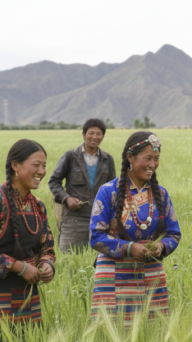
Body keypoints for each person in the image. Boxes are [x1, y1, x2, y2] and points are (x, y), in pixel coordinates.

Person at [0, 139, 55, 339]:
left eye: (44, 166)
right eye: (36, 165)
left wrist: (47, 264)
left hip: (25, 295)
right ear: (15, 165)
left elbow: (47, 247)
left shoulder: (38, 206)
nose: (41, 171)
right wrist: (20, 267)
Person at [89, 132, 180, 326]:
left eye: (156, 159)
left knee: (152, 333)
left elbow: (174, 234)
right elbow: (95, 236)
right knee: (113, 332)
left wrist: (161, 247)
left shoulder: (161, 194)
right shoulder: (109, 192)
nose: (152, 164)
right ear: (130, 157)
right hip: (113, 274)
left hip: (151, 273)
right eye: (147, 158)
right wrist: (129, 248)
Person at [49, 118, 116, 253]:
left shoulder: (107, 160)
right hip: (74, 219)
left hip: (100, 218)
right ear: (84, 134)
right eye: (91, 133)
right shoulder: (70, 157)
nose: (94, 137)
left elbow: (113, 189)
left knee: (97, 260)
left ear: (103, 136)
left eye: (99, 134)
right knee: (69, 257)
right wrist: (67, 198)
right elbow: (54, 181)